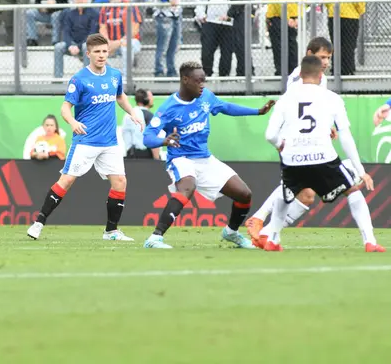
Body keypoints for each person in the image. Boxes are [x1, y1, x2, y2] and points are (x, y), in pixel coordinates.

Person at [142, 61, 275, 249]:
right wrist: (163, 141)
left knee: (244, 194)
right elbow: (147, 138)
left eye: (204, 81)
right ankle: (155, 238)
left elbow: (225, 107)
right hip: (181, 158)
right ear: (185, 80)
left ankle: (231, 232)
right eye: (198, 81)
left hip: (205, 158)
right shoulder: (169, 107)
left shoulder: (205, 97)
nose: (202, 85)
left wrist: (257, 112)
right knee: (187, 187)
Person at [26, 33, 144, 241]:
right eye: (97, 52)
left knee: (120, 181)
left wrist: (132, 112)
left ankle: (111, 231)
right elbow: (65, 108)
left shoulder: (115, 75)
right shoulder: (79, 79)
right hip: (86, 140)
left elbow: (120, 96)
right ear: (88, 54)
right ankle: (38, 222)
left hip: (109, 142)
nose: (101, 55)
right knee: (67, 180)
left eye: (105, 51)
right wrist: (73, 122)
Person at [260, 55, 385, 252]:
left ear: (300, 74)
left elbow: (270, 135)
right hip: (323, 158)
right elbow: (345, 137)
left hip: (293, 159)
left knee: (286, 193)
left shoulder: (285, 98)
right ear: (321, 75)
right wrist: (361, 170)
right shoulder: (332, 98)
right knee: (352, 190)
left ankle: (273, 239)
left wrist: (279, 144)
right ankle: (369, 241)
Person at [245, 37, 333, 242]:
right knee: (295, 184)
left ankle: (266, 232)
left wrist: (326, 125)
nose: (326, 62)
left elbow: (315, 107)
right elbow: (292, 109)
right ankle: (259, 219)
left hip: (307, 137)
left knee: (307, 194)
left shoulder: (322, 78)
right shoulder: (298, 78)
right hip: (292, 137)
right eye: (322, 57)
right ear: (309, 55)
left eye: (328, 57)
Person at [323, 0, 365, 76]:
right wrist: (360, 10)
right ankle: (348, 71)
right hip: (350, 16)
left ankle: (336, 71)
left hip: (334, 15)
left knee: (336, 45)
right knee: (349, 46)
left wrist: (331, 8)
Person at [266, 0, 305, 76]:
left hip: (279, 19)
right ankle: (293, 74)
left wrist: (286, 18)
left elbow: (280, 2)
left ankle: (281, 74)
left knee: (279, 49)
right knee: (292, 47)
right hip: (293, 19)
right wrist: (296, 17)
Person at [149, 0, 181, 78]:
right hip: (164, 15)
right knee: (163, 46)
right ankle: (159, 72)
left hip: (175, 14)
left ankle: (171, 71)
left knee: (173, 46)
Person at [122, 88, 160, 159]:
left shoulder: (128, 114)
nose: (153, 99)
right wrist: (157, 159)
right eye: (151, 96)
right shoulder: (149, 115)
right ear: (145, 99)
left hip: (130, 155)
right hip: (145, 155)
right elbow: (152, 138)